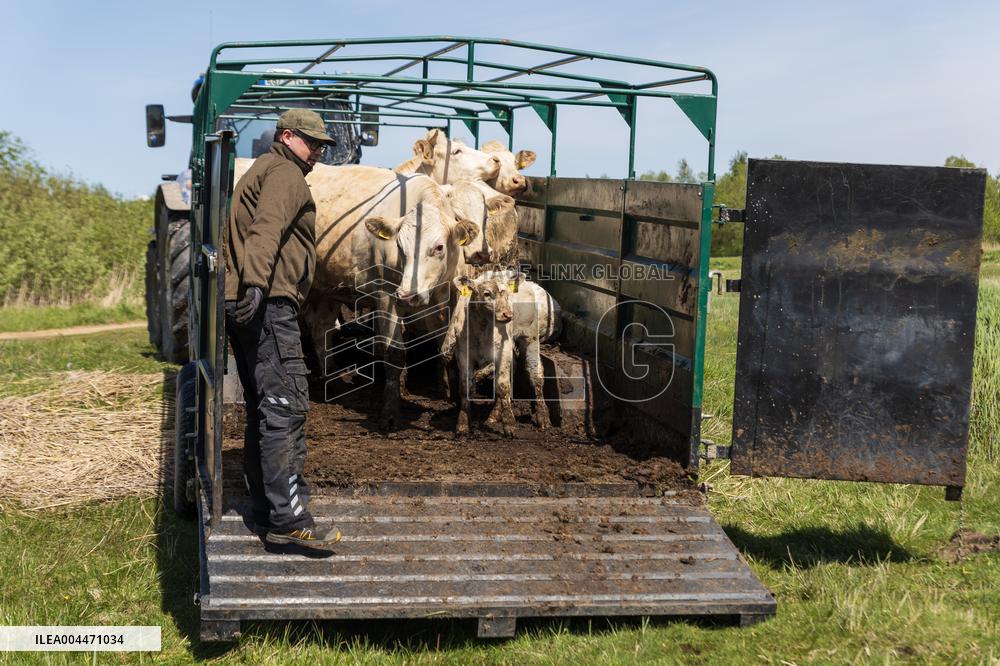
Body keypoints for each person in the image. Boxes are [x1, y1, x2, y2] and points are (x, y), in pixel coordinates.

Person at [224, 109, 337, 548]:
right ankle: (288, 519)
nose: (319, 153)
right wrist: (256, 284)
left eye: (324, 145)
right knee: (286, 406)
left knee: (265, 407)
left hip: (256, 305)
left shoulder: (262, 168)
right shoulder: (286, 174)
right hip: (270, 306)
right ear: (288, 136)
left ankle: (268, 508)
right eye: (313, 143)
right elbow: (266, 230)